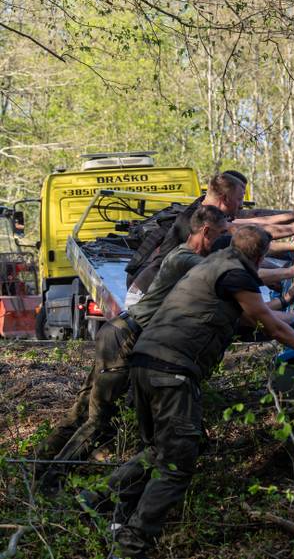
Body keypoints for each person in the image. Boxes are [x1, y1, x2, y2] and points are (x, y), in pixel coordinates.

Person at [92, 225, 294, 559]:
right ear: (259, 256)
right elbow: (269, 325)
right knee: (176, 462)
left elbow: (261, 317)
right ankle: (131, 547)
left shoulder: (216, 266)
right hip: (172, 372)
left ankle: (94, 503)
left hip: (146, 363)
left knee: (158, 451)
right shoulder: (237, 276)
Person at [35, 206, 230, 489]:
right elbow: (230, 274)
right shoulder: (187, 258)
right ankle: (50, 483)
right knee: (99, 420)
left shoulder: (184, 255)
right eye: (223, 233)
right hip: (124, 340)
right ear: (205, 231)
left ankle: (41, 463)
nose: (225, 239)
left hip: (117, 334)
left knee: (86, 409)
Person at [125, 173, 294, 304]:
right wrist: (293, 230)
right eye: (239, 199)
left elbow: (251, 232)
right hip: (148, 292)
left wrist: (291, 237)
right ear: (225, 198)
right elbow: (249, 233)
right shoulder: (203, 221)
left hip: (163, 289)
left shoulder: (209, 214)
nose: (241, 204)